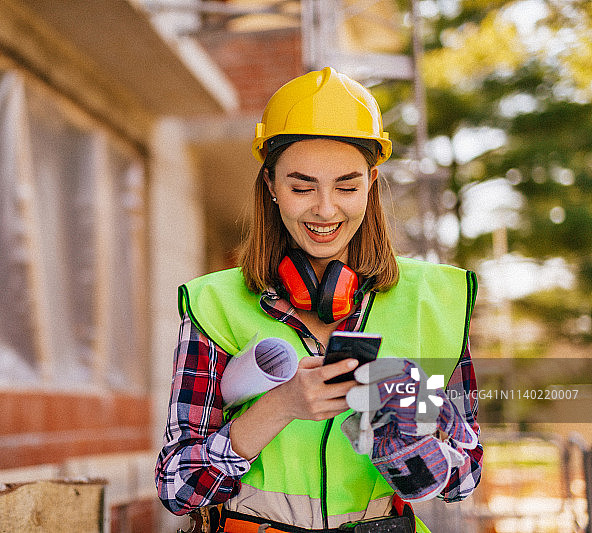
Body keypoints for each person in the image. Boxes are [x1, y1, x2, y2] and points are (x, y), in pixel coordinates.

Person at [156, 67, 482, 533]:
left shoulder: (437, 302)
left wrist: (414, 433)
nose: (325, 209)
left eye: (347, 187)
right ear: (270, 186)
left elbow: (463, 479)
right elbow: (177, 487)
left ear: (371, 183)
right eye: (302, 186)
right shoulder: (216, 305)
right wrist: (281, 406)